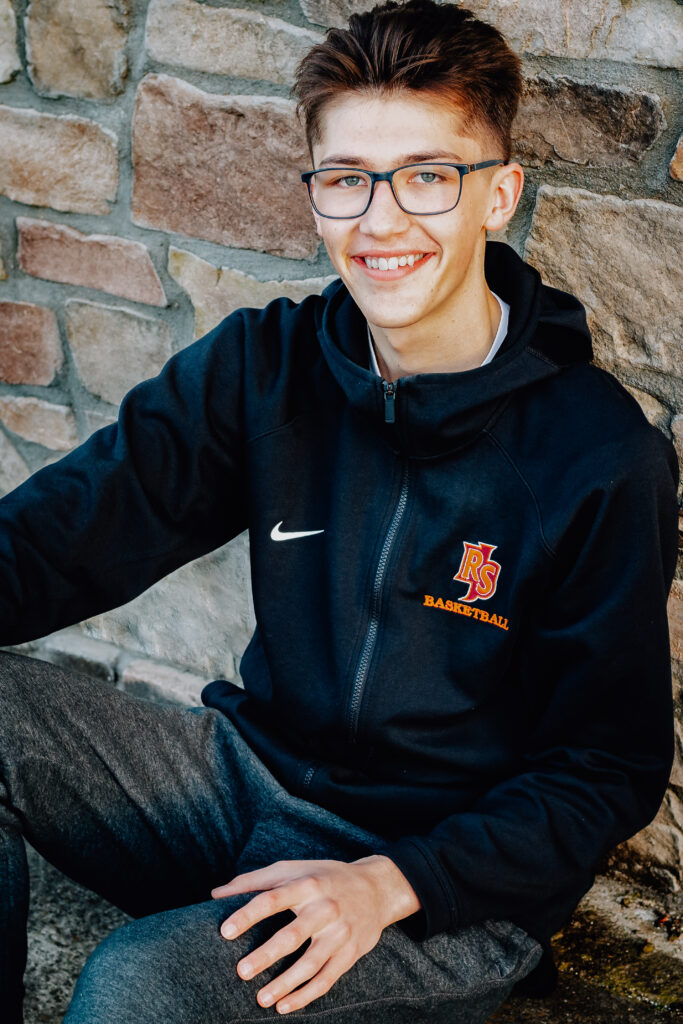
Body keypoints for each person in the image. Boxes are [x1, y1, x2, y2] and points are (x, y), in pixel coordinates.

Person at [0, 1, 678, 1021]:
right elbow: (66, 530)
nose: (380, 219)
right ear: (314, 194)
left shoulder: (596, 455)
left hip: (432, 884)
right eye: (347, 179)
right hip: (246, 785)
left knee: (140, 983)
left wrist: (390, 882)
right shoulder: (263, 368)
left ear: (496, 194)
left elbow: (603, 768)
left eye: (425, 176)